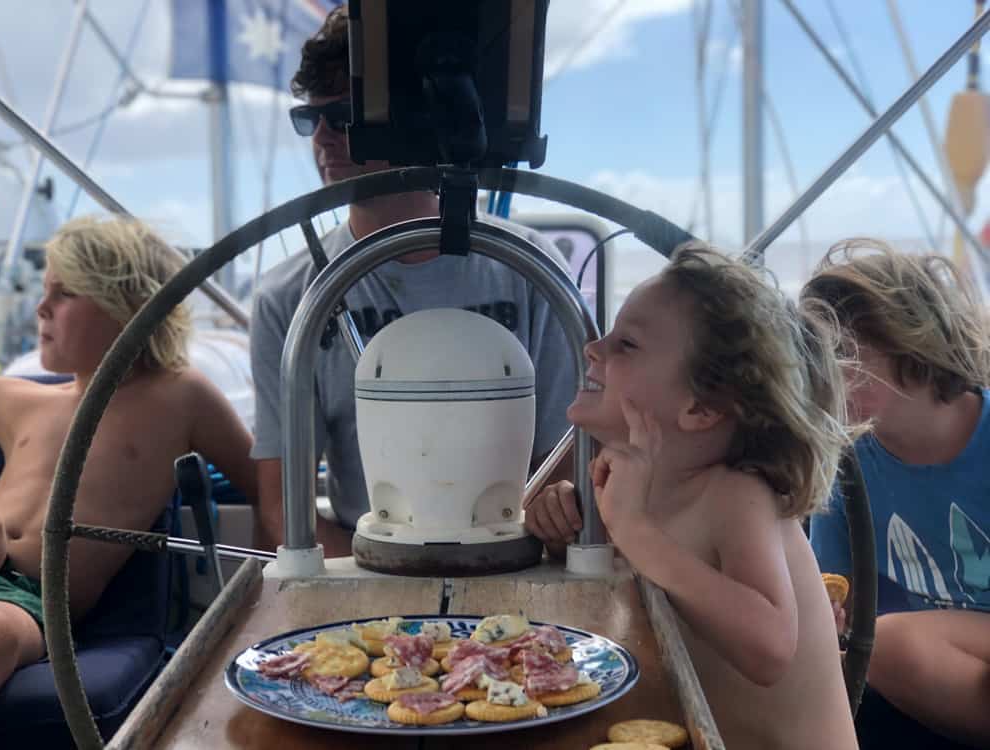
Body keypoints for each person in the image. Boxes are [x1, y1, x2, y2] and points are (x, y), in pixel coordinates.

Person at [250, 3, 577, 556]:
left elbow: (572, 458)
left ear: (411, 117)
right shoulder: (287, 300)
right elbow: (284, 509)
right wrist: (372, 580)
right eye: (311, 119)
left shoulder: (533, 270)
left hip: (523, 560)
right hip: (368, 561)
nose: (324, 139)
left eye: (345, 115)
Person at [525, 243, 858, 749]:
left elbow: (769, 648)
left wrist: (633, 531)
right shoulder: (631, 484)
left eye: (627, 345)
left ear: (702, 408)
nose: (594, 348)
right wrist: (567, 526)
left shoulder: (737, 496)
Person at [0, 215, 257, 699]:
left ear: (130, 306)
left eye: (65, 292)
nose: (41, 307)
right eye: (45, 291)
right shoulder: (13, 398)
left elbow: (272, 487)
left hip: (24, 599)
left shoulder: (179, 397)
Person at [802, 239, 990, 749]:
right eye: (815, 356)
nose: (823, 376)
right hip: (933, 681)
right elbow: (839, 595)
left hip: (930, 656)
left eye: (842, 352)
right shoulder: (846, 461)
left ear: (914, 343)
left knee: (890, 645)